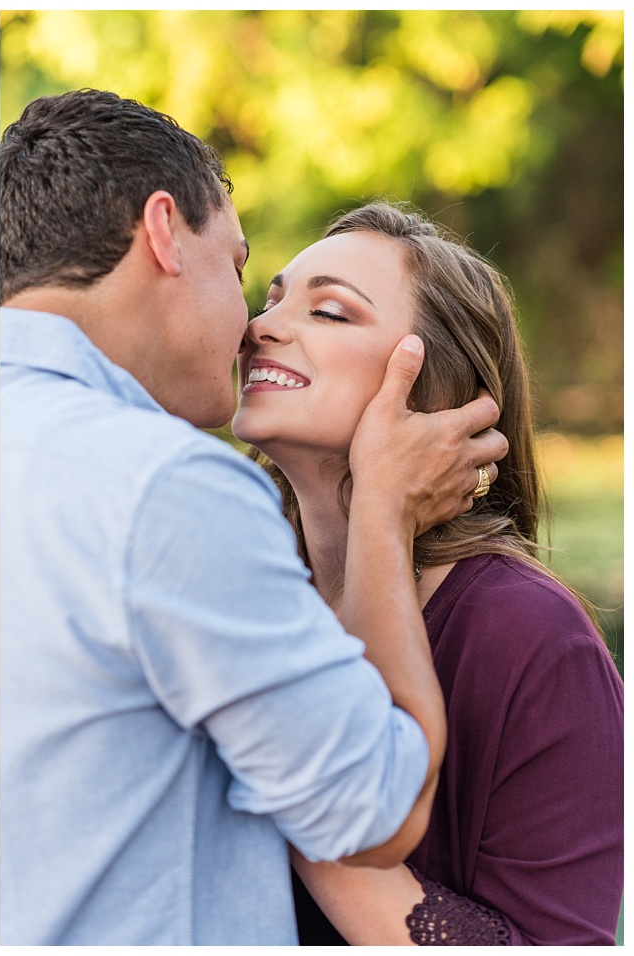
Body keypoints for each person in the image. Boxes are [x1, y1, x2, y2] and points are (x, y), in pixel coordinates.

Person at [0, 88, 509, 946]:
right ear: (164, 232)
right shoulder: (162, 485)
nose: (254, 329)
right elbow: (370, 812)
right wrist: (382, 512)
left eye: (329, 309)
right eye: (242, 275)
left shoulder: (16, 433)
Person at [231, 202, 623, 945]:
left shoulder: (530, 637)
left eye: (331, 313)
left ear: (436, 396)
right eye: (271, 297)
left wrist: (296, 794)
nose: (262, 326)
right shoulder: (240, 592)